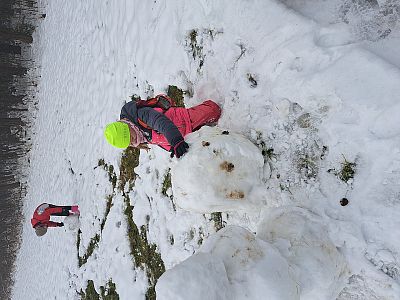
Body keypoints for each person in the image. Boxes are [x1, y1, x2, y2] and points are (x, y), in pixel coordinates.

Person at [104, 94, 222, 158]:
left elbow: (161, 123)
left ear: (128, 127)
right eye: (129, 143)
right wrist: (171, 148)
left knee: (213, 111)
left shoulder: (141, 116)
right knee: (206, 136)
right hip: (181, 137)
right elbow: (158, 140)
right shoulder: (140, 136)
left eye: (131, 137)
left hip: (183, 120)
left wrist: (175, 140)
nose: (133, 142)